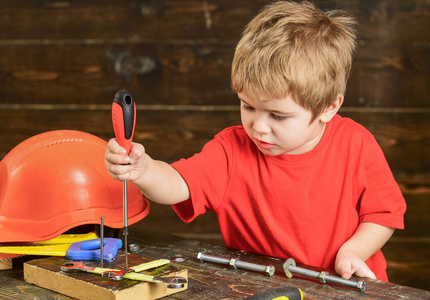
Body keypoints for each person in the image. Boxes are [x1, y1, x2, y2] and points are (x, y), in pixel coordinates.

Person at [105, 0, 406, 281]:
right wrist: (143, 170)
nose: (258, 126)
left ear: (329, 107)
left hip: (347, 288)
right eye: (248, 106)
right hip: (262, 290)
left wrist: (354, 251)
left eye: (277, 116)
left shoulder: (356, 144)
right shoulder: (231, 150)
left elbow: (384, 214)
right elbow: (177, 184)